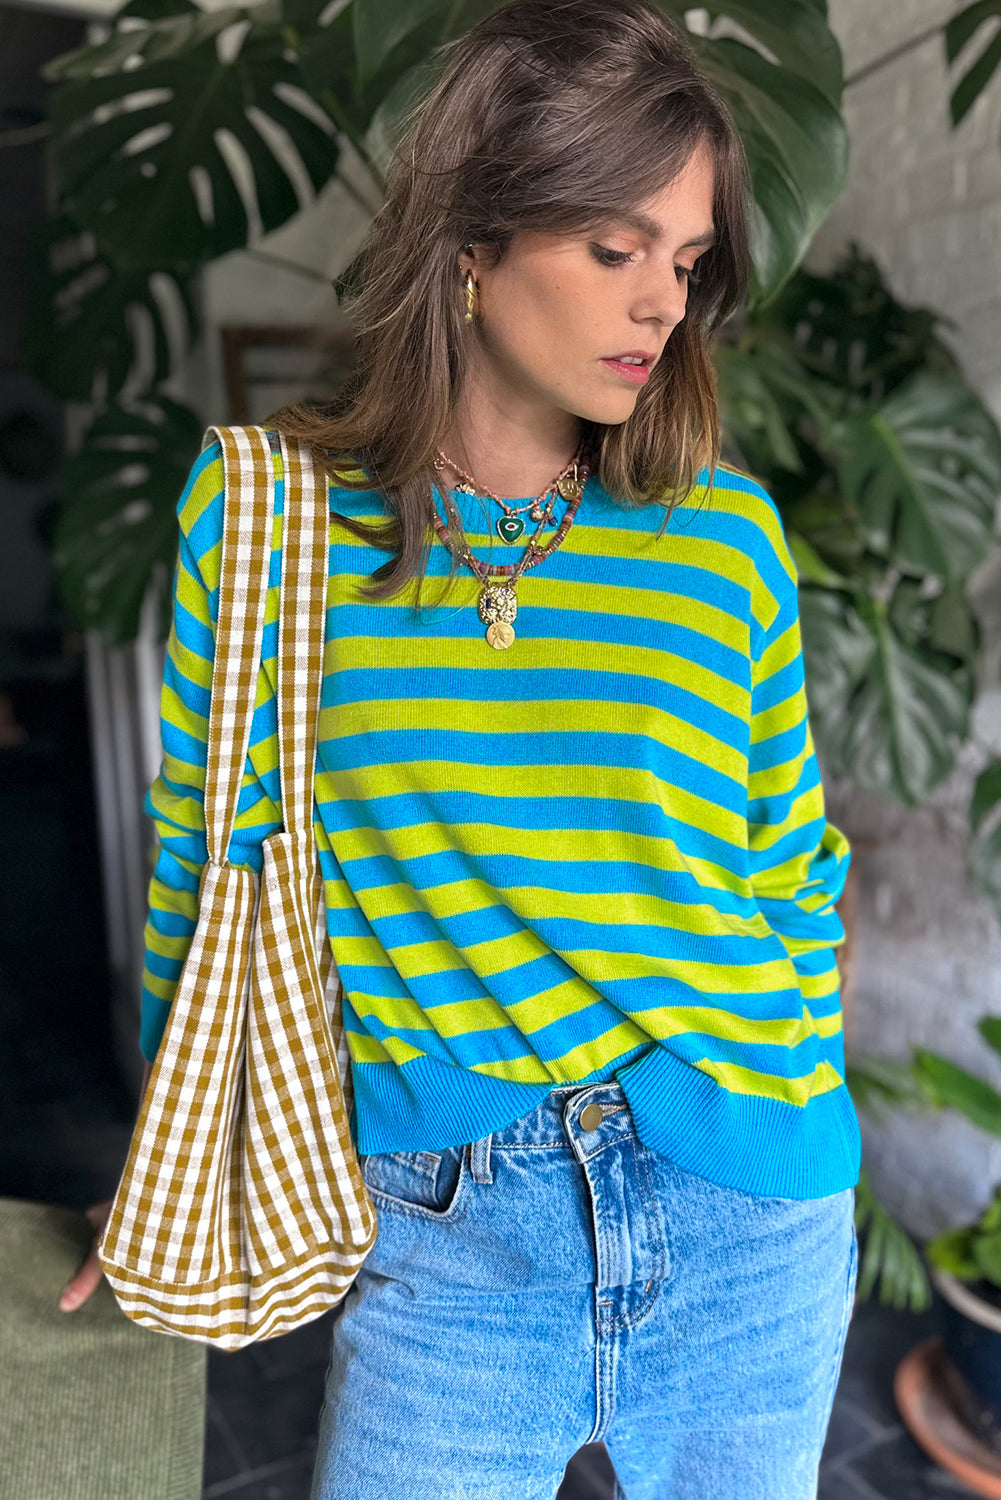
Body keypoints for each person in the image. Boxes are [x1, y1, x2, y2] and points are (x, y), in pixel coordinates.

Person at [62, 0, 861, 1494]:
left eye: (687, 262)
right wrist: (171, 1165)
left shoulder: (722, 541)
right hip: (449, 1233)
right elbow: (203, 862)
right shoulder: (271, 523)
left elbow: (794, 865)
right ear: (473, 243)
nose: (661, 305)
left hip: (746, 1212)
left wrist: (782, 1097)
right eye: (615, 249)